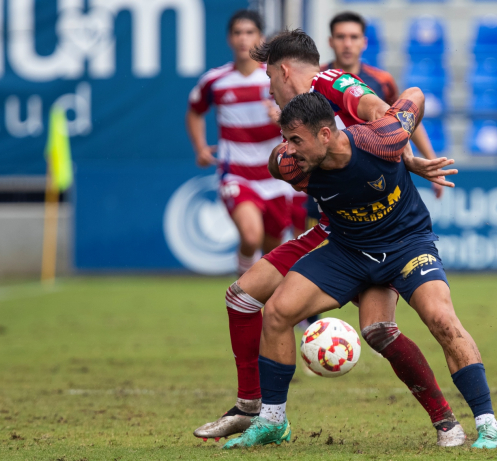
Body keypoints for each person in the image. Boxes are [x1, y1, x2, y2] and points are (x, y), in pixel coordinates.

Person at [193, 30, 462, 447]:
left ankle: (448, 422)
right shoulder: (302, 109)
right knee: (243, 297)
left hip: (370, 231)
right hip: (333, 227)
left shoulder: (333, 84)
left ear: (284, 72)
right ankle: (255, 410)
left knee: (380, 330)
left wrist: (407, 159)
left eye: (269, 80)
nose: (270, 90)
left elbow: (383, 114)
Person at [223, 90, 497, 450]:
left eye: (295, 140)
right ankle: (273, 421)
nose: (288, 149)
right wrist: (282, 154)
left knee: (441, 319)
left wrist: (410, 157)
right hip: (348, 251)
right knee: (277, 311)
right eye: (285, 140)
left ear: (325, 135)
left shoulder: (382, 139)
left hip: (407, 245)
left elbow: (415, 96)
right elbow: (277, 163)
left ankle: (487, 425)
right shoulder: (292, 165)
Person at [186, 10, 293, 275]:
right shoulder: (215, 81)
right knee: (250, 236)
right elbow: (194, 111)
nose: (243, 39)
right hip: (237, 174)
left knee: (273, 248)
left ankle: (271, 304)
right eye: (238, 33)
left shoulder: (276, 77)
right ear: (229, 39)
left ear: (261, 38)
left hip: (276, 176)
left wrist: (282, 117)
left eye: (249, 33)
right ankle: (243, 298)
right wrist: (200, 147)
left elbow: (300, 117)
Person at [325, 11, 444, 199]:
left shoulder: (381, 80)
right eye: (341, 37)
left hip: (371, 180)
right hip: (329, 182)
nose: (347, 44)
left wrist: (432, 161)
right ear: (330, 42)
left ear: (364, 42)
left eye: (353, 37)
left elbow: (405, 118)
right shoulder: (317, 80)